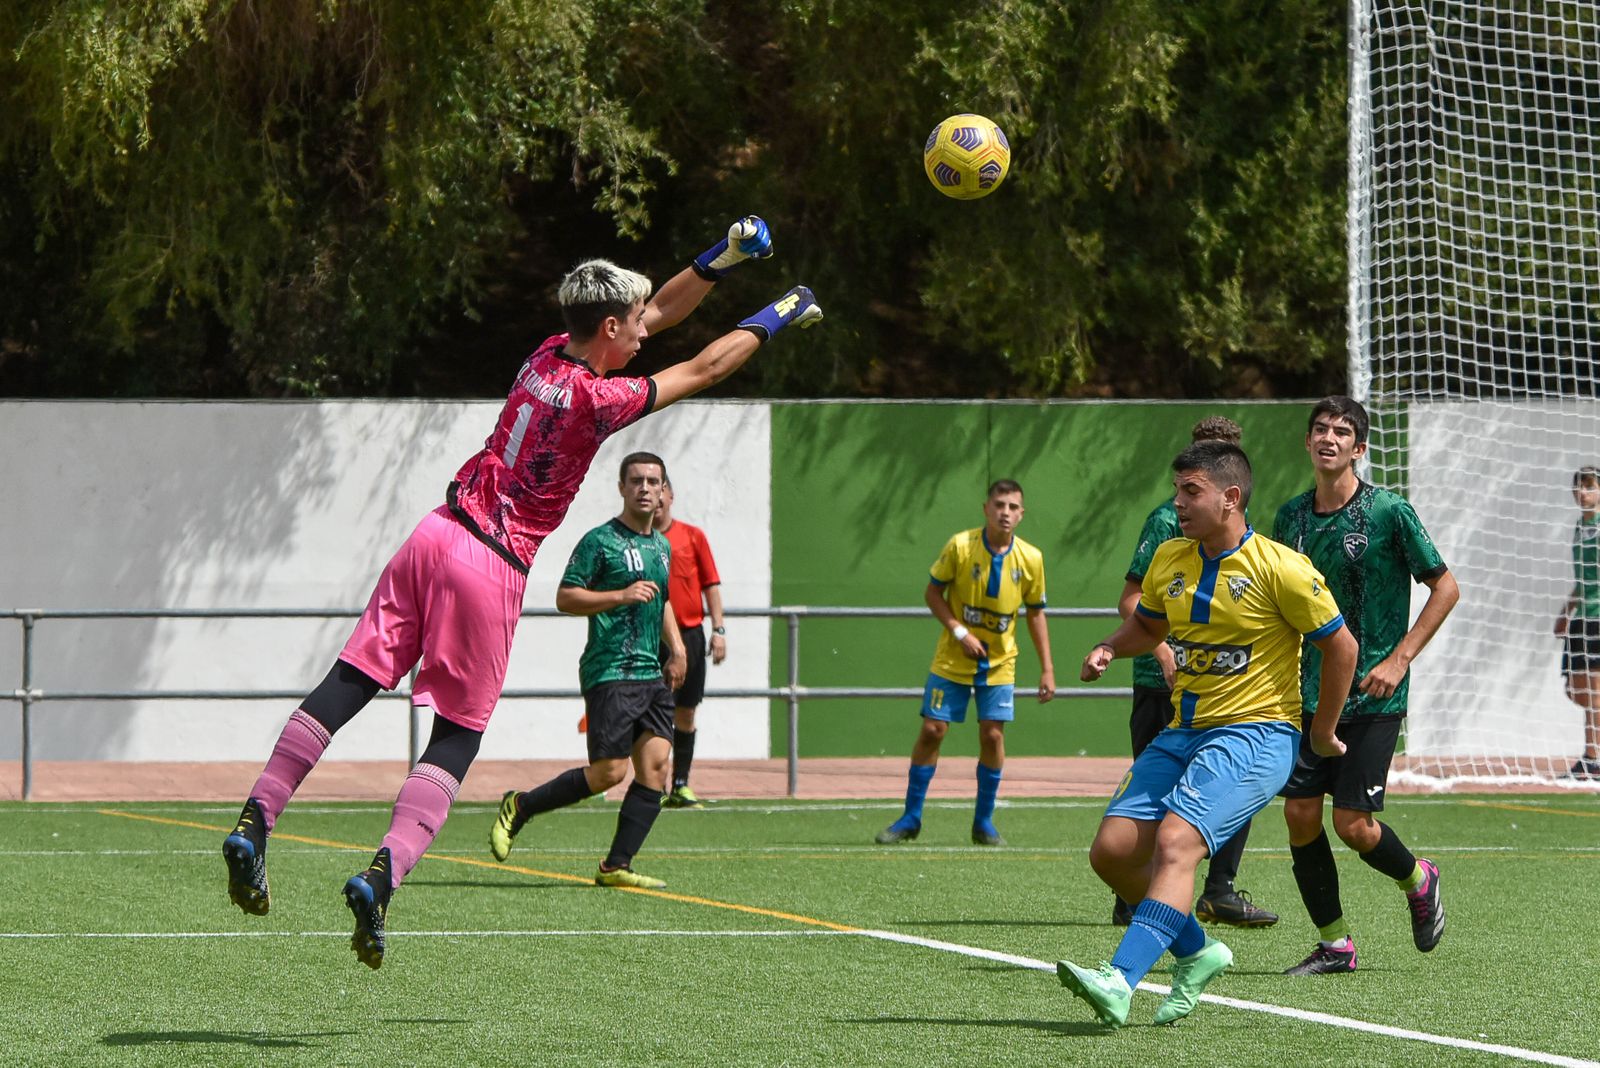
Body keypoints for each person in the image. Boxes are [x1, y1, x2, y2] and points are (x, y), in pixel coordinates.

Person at [220, 216, 823, 969]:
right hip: (491, 562)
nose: (645, 332)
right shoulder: (598, 403)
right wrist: (779, 313)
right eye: (632, 325)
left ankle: (255, 819)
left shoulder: (547, 353)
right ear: (608, 324)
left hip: (434, 532)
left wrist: (723, 258)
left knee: (350, 680)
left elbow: (661, 311)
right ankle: (383, 876)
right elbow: (701, 368)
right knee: (459, 734)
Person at [1060, 441, 1356, 1028]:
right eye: (1176, 491)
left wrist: (1320, 732)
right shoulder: (1171, 556)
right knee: (1114, 853)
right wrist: (1109, 648)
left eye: (1190, 492)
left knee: (1176, 843)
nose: (1178, 503)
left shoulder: (1282, 568)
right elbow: (1148, 625)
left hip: (1256, 734)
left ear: (1230, 498)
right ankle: (1196, 952)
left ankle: (1120, 980)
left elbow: (1341, 647)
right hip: (1184, 730)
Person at [1272, 395, 1459, 976]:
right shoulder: (1291, 518)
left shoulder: (1388, 512)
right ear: (1307, 442)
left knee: (1352, 825)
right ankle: (1335, 945)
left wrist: (1399, 660)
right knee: (1301, 816)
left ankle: (1418, 878)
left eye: (1343, 431)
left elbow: (1445, 587)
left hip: (1375, 695)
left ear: (1360, 447)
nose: (1330, 438)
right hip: (1308, 694)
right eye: (1321, 429)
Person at [487, 453, 684, 888]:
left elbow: (662, 598)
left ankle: (616, 866)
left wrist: (679, 648)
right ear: (621, 488)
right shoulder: (600, 542)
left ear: (665, 490)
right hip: (610, 670)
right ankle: (520, 806)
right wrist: (619, 596)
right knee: (608, 774)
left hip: (651, 673)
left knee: (655, 770)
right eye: (636, 481)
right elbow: (566, 597)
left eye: (654, 481)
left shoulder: (662, 545)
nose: (645, 489)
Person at [1112, 415, 1277, 930]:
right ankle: (1138, 895)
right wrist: (1165, 656)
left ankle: (1217, 890)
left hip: (1229, 697)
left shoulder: (1246, 536)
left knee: (1225, 789)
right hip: (1165, 682)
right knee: (1154, 806)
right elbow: (1132, 599)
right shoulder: (1168, 522)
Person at [874, 479, 1055, 847]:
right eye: (999, 504)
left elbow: (1036, 613)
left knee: (992, 734)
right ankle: (910, 817)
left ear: (1021, 514)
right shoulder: (960, 546)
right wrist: (959, 632)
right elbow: (932, 592)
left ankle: (983, 823)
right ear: (986, 508)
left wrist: (1047, 668)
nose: (1005, 512)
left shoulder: (1031, 558)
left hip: (1000, 663)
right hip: (952, 660)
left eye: (1013, 507)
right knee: (932, 730)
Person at [652, 475, 727, 807]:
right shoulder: (637, 540)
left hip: (691, 638)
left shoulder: (692, 537)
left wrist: (719, 630)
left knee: (685, 713)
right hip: (649, 638)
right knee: (651, 715)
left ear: (670, 494)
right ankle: (650, 786)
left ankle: (679, 784)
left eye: (660, 488)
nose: (654, 496)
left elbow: (711, 584)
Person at [1557, 465, 1600, 780]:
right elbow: (1583, 580)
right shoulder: (1578, 527)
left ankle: (1591, 758)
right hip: (1581, 618)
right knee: (1574, 689)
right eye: (1579, 486)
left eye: (1589, 486)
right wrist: (1567, 610)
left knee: (1595, 690)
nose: (1582, 492)